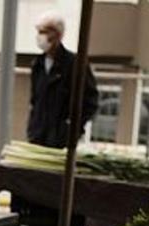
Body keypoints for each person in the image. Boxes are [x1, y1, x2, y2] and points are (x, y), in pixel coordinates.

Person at [27, 11, 98, 148]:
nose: (40, 36)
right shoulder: (38, 64)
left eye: (45, 32)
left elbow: (90, 100)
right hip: (37, 136)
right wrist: (33, 126)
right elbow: (35, 100)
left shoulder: (75, 64)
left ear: (58, 35)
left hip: (61, 140)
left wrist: (73, 128)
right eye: (39, 32)